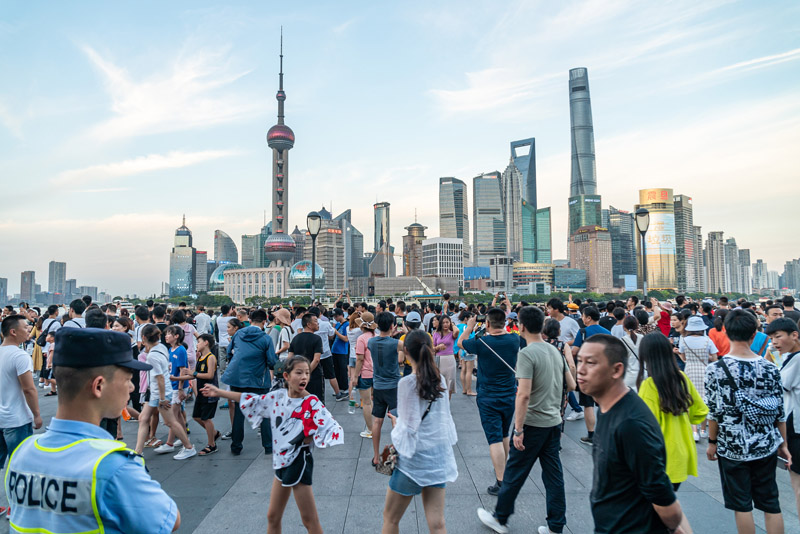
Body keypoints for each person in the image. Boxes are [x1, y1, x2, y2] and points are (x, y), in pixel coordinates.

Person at [4, 326, 181, 532]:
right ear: (99, 386)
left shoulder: (22, 453)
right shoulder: (113, 466)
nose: (131, 387)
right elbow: (169, 520)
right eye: (126, 379)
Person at [201, 355, 343, 534]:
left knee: (309, 520)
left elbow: (331, 427)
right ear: (286, 376)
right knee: (273, 516)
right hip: (281, 462)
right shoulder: (277, 397)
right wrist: (219, 392)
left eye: (307, 373)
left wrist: (308, 435)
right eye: (299, 373)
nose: (304, 377)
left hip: (298, 462)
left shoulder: (311, 403)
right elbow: (250, 399)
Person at [477, 306, 573, 534]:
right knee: (554, 477)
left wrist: (518, 429)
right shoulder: (555, 351)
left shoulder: (527, 354)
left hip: (533, 423)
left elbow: (524, 394)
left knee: (513, 472)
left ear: (520, 325)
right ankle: (556, 526)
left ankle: (500, 519)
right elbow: (572, 384)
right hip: (553, 423)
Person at [577, 334, 686, 533]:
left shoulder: (631, 424)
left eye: (591, 363)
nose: (581, 370)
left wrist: (673, 527)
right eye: (579, 361)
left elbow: (663, 498)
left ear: (617, 370)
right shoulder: (607, 409)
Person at [705, 309, 790, 534]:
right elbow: (779, 412)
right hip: (766, 444)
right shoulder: (771, 368)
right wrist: (783, 444)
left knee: (741, 505)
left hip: (732, 446)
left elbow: (714, 413)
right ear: (755, 334)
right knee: (771, 503)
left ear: (726, 331)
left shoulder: (715, 370)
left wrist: (712, 442)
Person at [381, 329, 457, 534]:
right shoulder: (439, 379)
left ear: (406, 351)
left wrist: (396, 423)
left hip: (412, 462)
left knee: (390, 519)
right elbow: (444, 419)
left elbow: (408, 429)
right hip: (437, 458)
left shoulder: (407, 383)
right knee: (437, 523)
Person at [637, 333, 708, 533]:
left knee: (657, 516)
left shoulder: (649, 385)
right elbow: (701, 411)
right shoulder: (682, 378)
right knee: (669, 507)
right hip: (682, 454)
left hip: (660, 458)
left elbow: (646, 428)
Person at [458, 308, 519, 496]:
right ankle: (503, 468)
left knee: (494, 439)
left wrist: (469, 327)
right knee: (504, 434)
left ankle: (501, 482)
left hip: (488, 395)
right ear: (505, 323)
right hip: (509, 394)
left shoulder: (482, 342)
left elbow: (461, 343)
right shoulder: (514, 339)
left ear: (488, 323)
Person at [133, 324, 196, 460]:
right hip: (158, 392)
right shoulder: (161, 348)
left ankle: (189, 447)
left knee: (170, 422)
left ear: (143, 337)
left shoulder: (152, 356)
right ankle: (138, 451)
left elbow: (160, 377)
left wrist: (162, 399)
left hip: (160, 393)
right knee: (143, 419)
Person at [222, 308, 277, 455]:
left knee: (239, 413)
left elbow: (229, 352)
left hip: (237, 378)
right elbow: (272, 361)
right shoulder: (266, 338)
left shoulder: (239, 333)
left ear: (250, 320)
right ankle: (268, 446)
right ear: (265, 322)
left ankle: (236, 446)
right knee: (264, 412)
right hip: (258, 379)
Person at [0, 315, 43, 498]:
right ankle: (16, 505)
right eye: (26, 327)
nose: (29, 330)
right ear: (13, 331)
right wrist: (37, 414)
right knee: (19, 465)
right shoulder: (20, 355)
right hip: (17, 419)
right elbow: (29, 389)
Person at [767, 318, 800, 517]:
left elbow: (778, 387)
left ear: (794, 335)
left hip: (796, 430)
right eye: (771, 338)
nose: (774, 342)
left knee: (797, 486)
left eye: (778, 337)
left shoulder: (796, 360)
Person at [571, 306, 611, 445]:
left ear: (588, 318)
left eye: (583, 316)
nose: (582, 318)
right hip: (604, 372)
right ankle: (606, 433)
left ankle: (591, 436)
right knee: (603, 404)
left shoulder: (583, 332)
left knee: (588, 405)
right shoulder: (607, 332)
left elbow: (574, 351)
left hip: (587, 373)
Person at [369, 312, 403, 468]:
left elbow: (381, 340)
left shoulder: (371, 342)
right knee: (395, 420)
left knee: (377, 421)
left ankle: (376, 457)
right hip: (393, 387)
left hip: (378, 386)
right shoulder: (395, 343)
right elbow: (410, 346)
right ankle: (395, 454)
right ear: (392, 325)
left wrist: (389, 333)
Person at [680, 316, 718, 441]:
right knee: (705, 399)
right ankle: (703, 430)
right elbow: (715, 359)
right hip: (705, 370)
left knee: (690, 398)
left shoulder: (684, 340)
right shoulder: (708, 340)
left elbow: (684, 358)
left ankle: (694, 430)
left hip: (690, 370)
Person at [180, 333, 219, 455]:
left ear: (206, 342)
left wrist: (193, 373)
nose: (197, 344)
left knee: (206, 418)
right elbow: (194, 374)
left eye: (198, 342)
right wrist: (178, 378)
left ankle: (212, 445)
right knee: (197, 416)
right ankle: (214, 433)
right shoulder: (200, 357)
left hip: (210, 392)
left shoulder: (210, 357)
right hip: (201, 392)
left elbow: (209, 375)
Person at [289, 313, 324, 402]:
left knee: (300, 402)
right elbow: (316, 359)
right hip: (314, 376)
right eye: (316, 321)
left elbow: (289, 358)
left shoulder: (296, 338)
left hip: (298, 377)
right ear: (308, 324)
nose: (318, 323)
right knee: (315, 402)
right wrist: (307, 374)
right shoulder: (317, 339)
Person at [354, 312, 377, 438]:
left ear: (362, 326)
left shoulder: (361, 339)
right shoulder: (377, 336)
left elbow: (360, 359)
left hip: (365, 373)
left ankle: (370, 430)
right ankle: (376, 427)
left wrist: (355, 376)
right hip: (377, 373)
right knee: (374, 401)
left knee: (367, 403)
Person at [432, 314, 457, 399]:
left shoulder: (452, 334)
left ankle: (448, 405)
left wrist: (452, 324)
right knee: (439, 383)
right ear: (440, 324)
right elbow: (432, 348)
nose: (445, 324)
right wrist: (438, 347)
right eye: (443, 323)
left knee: (449, 383)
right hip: (439, 359)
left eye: (447, 322)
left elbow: (457, 332)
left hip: (450, 359)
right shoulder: (436, 334)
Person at [330, 308, 351, 399]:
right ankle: (338, 388)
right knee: (337, 371)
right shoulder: (338, 324)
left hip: (342, 351)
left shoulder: (347, 325)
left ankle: (345, 388)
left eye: (336, 316)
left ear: (341, 315)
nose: (335, 318)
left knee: (343, 370)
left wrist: (336, 332)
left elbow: (346, 339)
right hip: (335, 350)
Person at [456, 310, 477, 396]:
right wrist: (473, 330)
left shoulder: (458, 326)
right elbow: (471, 337)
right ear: (466, 319)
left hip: (461, 350)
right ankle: (469, 390)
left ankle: (464, 389)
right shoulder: (466, 327)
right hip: (468, 350)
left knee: (463, 370)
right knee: (469, 371)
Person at [620, 315, 642, 391]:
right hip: (643, 374)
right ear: (637, 326)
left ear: (624, 327)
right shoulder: (643, 338)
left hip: (628, 376)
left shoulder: (622, 341)